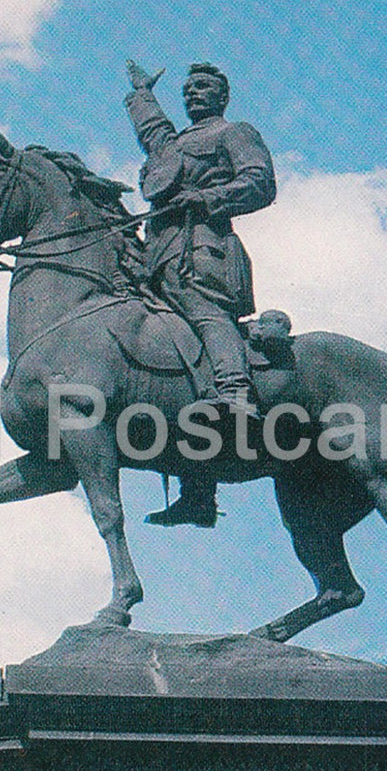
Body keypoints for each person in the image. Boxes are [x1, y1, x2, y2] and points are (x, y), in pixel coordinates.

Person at [125, 59, 277, 527]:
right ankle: (198, 493)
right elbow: (154, 134)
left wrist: (209, 198)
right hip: (160, 252)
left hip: (204, 249)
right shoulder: (176, 144)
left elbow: (260, 182)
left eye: (203, 87)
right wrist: (142, 95)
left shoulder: (234, 133)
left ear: (222, 96)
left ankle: (236, 393)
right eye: (188, 89)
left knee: (203, 313)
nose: (193, 94)